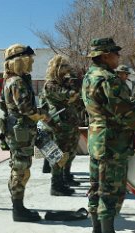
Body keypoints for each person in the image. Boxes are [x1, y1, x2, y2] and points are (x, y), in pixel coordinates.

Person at [82, 37, 135, 233]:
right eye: (116, 53)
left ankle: (97, 232)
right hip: (113, 142)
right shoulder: (109, 78)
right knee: (111, 189)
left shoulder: (90, 76)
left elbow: (116, 102)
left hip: (97, 139)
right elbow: (123, 111)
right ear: (106, 55)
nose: (119, 57)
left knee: (96, 187)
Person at [0, 44, 49, 222]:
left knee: (19, 168)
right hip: (20, 133)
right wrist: (43, 115)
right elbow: (27, 109)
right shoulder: (17, 82)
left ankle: (18, 207)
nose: (32, 62)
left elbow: (2, 105)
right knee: (21, 169)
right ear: (20, 60)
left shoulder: (10, 81)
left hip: (18, 131)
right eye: (30, 59)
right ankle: (18, 210)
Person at [40, 55, 81, 196]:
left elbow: (77, 99)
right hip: (58, 125)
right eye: (64, 66)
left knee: (70, 153)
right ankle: (56, 185)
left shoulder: (63, 83)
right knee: (58, 156)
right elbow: (70, 95)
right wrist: (76, 82)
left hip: (69, 123)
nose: (67, 69)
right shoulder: (51, 85)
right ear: (56, 68)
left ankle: (64, 179)